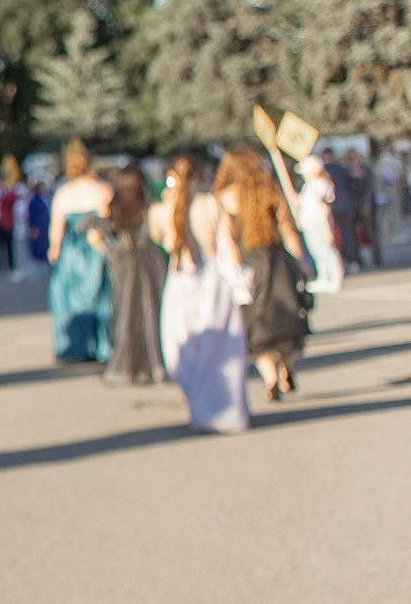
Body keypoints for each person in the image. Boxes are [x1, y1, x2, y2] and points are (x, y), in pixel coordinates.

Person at [156, 154, 249, 433]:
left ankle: (197, 405)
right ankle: (224, 408)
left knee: (183, 346)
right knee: (219, 348)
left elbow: (162, 241)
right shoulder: (210, 204)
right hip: (213, 280)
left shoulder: (164, 209)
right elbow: (230, 244)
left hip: (181, 280)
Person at [215, 148, 310, 401]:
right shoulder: (270, 190)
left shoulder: (224, 198)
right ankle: (286, 367)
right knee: (287, 317)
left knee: (257, 325)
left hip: (249, 264)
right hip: (277, 261)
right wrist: (302, 262)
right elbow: (288, 229)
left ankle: (270, 378)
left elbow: (229, 240)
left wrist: (236, 269)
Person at [91, 165, 166, 386]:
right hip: (148, 261)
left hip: (123, 262)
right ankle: (155, 363)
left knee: (125, 311)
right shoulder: (148, 205)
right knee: (152, 309)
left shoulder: (112, 206)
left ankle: (131, 364)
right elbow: (159, 234)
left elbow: (95, 237)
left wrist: (112, 252)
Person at [46, 143, 113, 361]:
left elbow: (56, 229)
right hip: (95, 249)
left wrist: (54, 248)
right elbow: (106, 224)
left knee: (67, 294)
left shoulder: (64, 193)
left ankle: (76, 345)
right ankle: (101, 344)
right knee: (100, 296)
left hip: (72, 251)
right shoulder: (102, 190)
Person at [293, 155, 345, 296]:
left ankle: (334, 277)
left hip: (319, 222)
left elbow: (325, 205)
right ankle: (323, 277)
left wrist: (327, 227)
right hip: (308, 222)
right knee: (316, 251)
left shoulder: (322, 183)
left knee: (327, 250)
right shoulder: (308, 185)